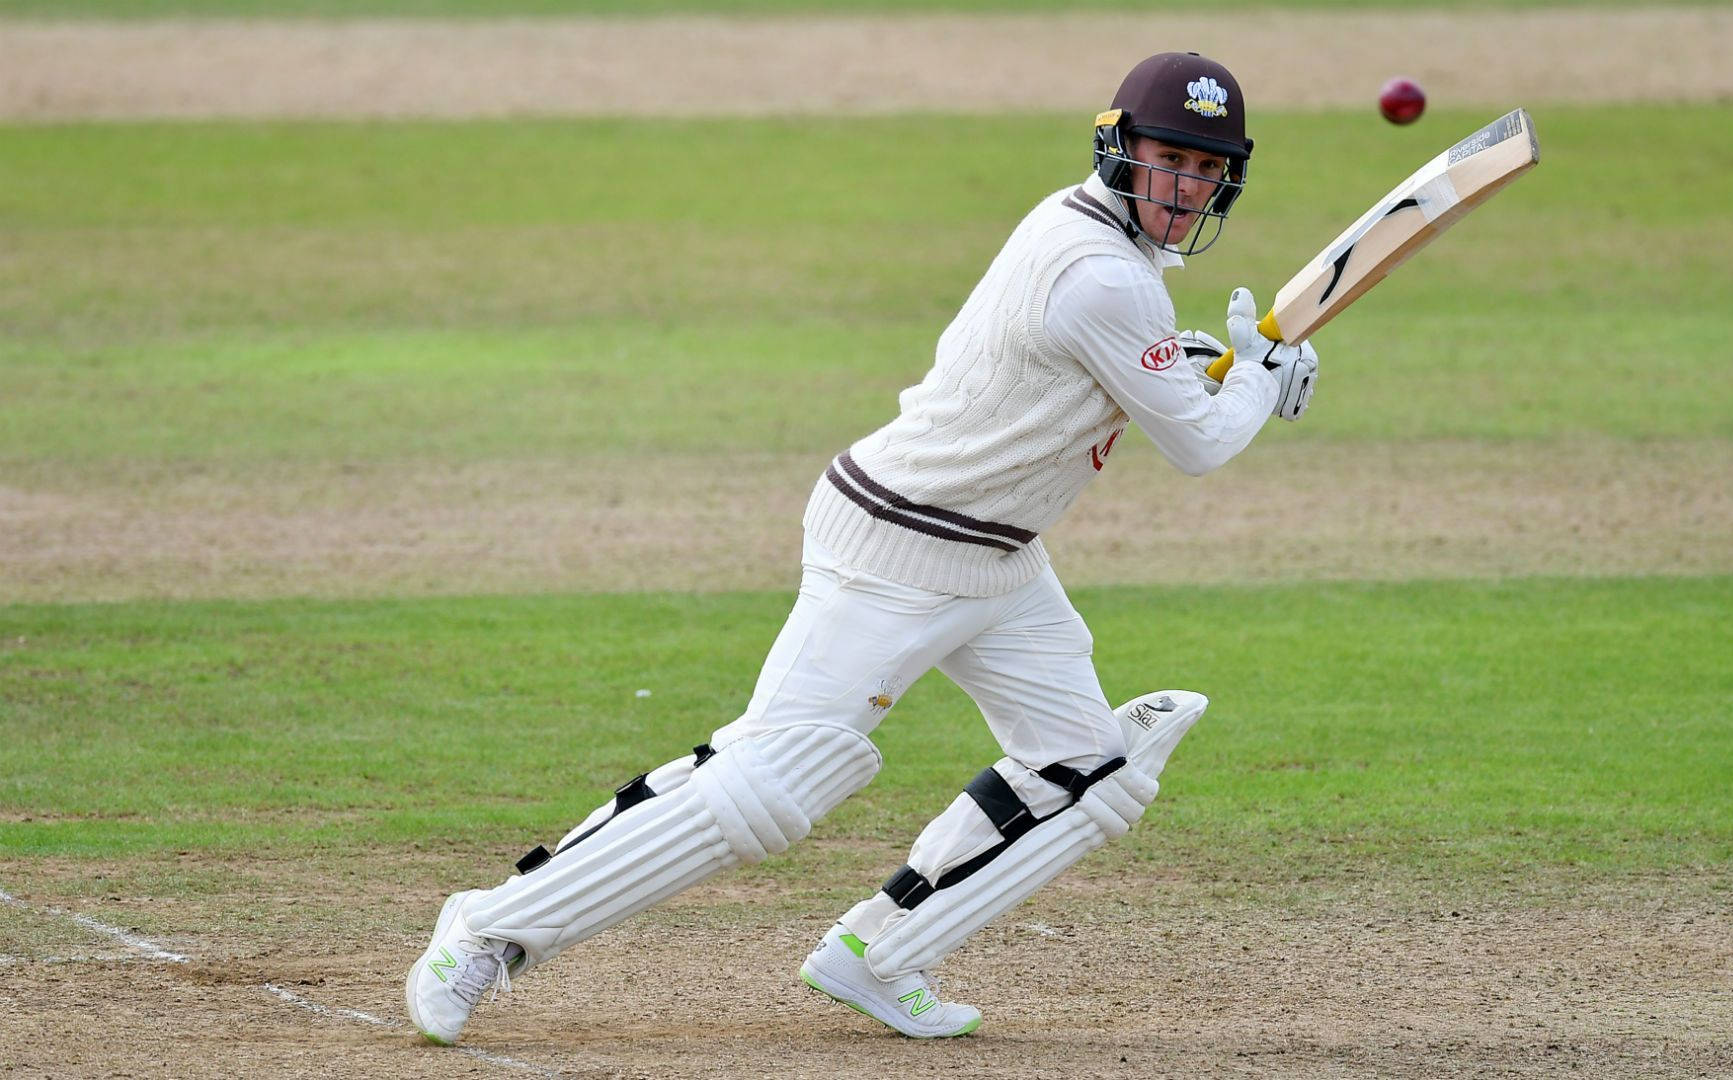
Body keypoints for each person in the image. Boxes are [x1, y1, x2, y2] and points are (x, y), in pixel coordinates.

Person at [405, 50, 1319, 1045]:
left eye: (1204, 168)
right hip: (899, 541)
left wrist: (1211, 368)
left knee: (1085, 769)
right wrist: (1258, 382)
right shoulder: (1101, 272)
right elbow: (1199, 442)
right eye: (1167, 160)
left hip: (1000, 559)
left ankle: (880, 956)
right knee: (770, 786)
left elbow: (1106, 374)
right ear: (1120, 150)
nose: (1185, 188)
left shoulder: (1107, 249)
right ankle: (487, 931)